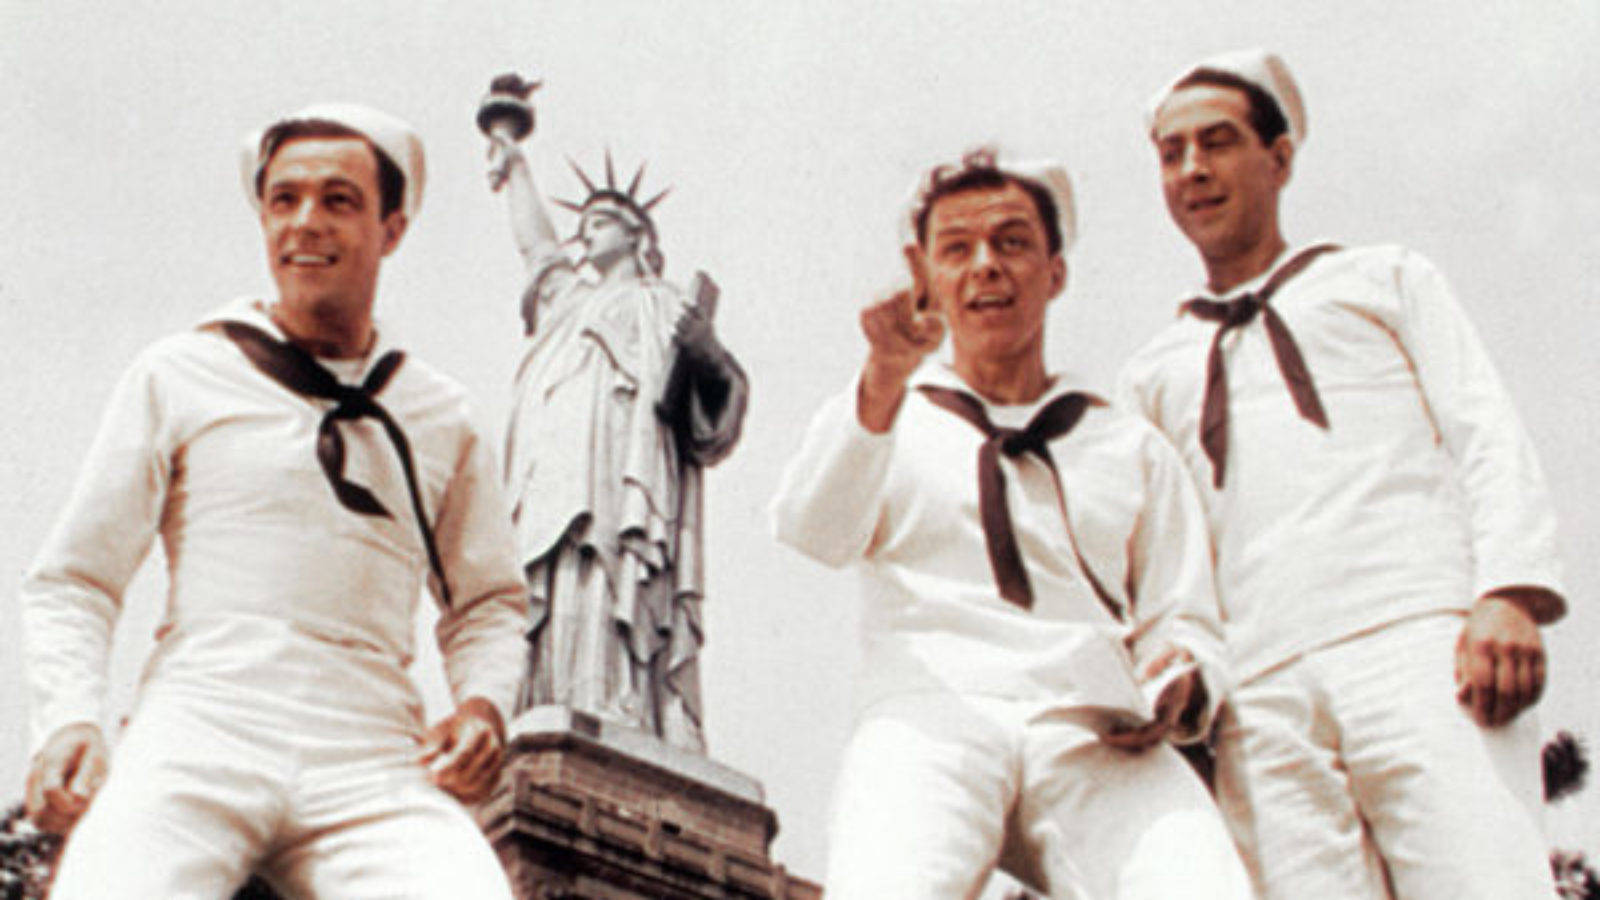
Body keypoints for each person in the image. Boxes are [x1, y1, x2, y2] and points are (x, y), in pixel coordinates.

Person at [21, 103, 527, 899]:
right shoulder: (180, 372)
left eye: (338, 200)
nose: (305, 223)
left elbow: (490, 601)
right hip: (202, 722)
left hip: (371, 751)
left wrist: (484, 707)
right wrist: (70, 718)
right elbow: (76, 578)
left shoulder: (441, 414)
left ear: (392, 229)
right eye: (283, 200)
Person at [1118, 49, 1565, 898]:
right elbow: (1164, 560)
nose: (1193, 169)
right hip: (1260, 691)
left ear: (1280, 157)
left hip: (1421, 645)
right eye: (1172, 154)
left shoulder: (1383, 279)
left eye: (1218, 142)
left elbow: (1484, 429)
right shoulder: (1151, 373)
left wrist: (1509, 592)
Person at [770, 150, 1250, 899]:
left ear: (1055, 272)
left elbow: (1181, 613)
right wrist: (884, 375)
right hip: (931, 713)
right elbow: (813, 529)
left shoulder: (1127, 444)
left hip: (1093, 724)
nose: (985, 266)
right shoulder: (886, 414)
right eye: (957, 249)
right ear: (924, 275)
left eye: (1012, 242)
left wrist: (1179, 679)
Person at [485, 106, 747, 752]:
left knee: (611, 563)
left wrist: (707, 353)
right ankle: (553, 694)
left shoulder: (664, 303)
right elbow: (538, 249)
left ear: (636, 235)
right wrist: (513, 159)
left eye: (600, 220)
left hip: (622, 459)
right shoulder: (569, 301)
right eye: (584, 223)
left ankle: (616, 698)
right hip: (554, 459)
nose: (586, 232)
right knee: (553, 570)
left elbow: (718, 399)